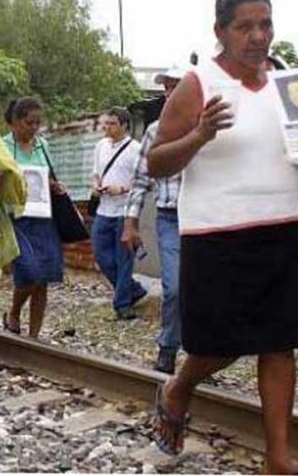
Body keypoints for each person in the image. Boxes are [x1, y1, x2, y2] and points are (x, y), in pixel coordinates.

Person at [147, 0, 298, 474]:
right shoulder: (198, 84)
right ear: (220, 31)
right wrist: (199, 134)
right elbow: (156, 163)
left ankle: (278, 458)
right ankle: (178, 388)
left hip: (284, 227)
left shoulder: (291, 84)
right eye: (245, 26)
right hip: (217, 235)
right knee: (218, 344)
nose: (258, 36)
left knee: (279, 344)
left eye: (266, 24)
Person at [121, 65, 184, 374]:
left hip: (205, 218)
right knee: (173, 288)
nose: (170, 93)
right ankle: (168, 347)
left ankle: (203, 350)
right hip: (170, 218)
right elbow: (141, 180)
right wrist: (130, 222)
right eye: (167, 87)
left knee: (205, 289)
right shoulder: (154, 131)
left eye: (177, 86)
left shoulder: (210, 127)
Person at [2, 97, 67, 338]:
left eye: (38, 123)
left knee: (46, 275)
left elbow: (48, 176)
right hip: (17, 217)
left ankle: (34, 336)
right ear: (16, 122)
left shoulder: (43, 146)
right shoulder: (3, 146)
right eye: (29, 123)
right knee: (29, 271)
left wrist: (54, 186)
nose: (34, 128)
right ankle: (14, 311)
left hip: (43, 216)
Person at [90, 107, 147, 320]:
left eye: (112, 123)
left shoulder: (135, 149)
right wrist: (97, 186)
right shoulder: (100, 146)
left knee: (124, 259)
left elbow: (142, 181)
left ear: (124, 125)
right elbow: (95, 173)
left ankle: (122, 303)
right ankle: (133, 290)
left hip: (125, 211)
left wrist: (121, 189)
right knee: (102, 256)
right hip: (104, 209)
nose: (107, 127)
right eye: (105, 123)